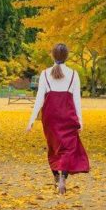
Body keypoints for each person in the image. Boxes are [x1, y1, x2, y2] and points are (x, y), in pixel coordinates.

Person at [27, 43, 90, 194]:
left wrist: (31, 120)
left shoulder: (44, 74)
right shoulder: (74, 74)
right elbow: (76, 100)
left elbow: (39, 99)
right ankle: (63, 178)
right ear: (67, 56)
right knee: (68, 148)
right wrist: (80, 119)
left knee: (54, 148)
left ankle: (56, 177)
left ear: (52, 55)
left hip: (50, 116)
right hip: (67, 115)